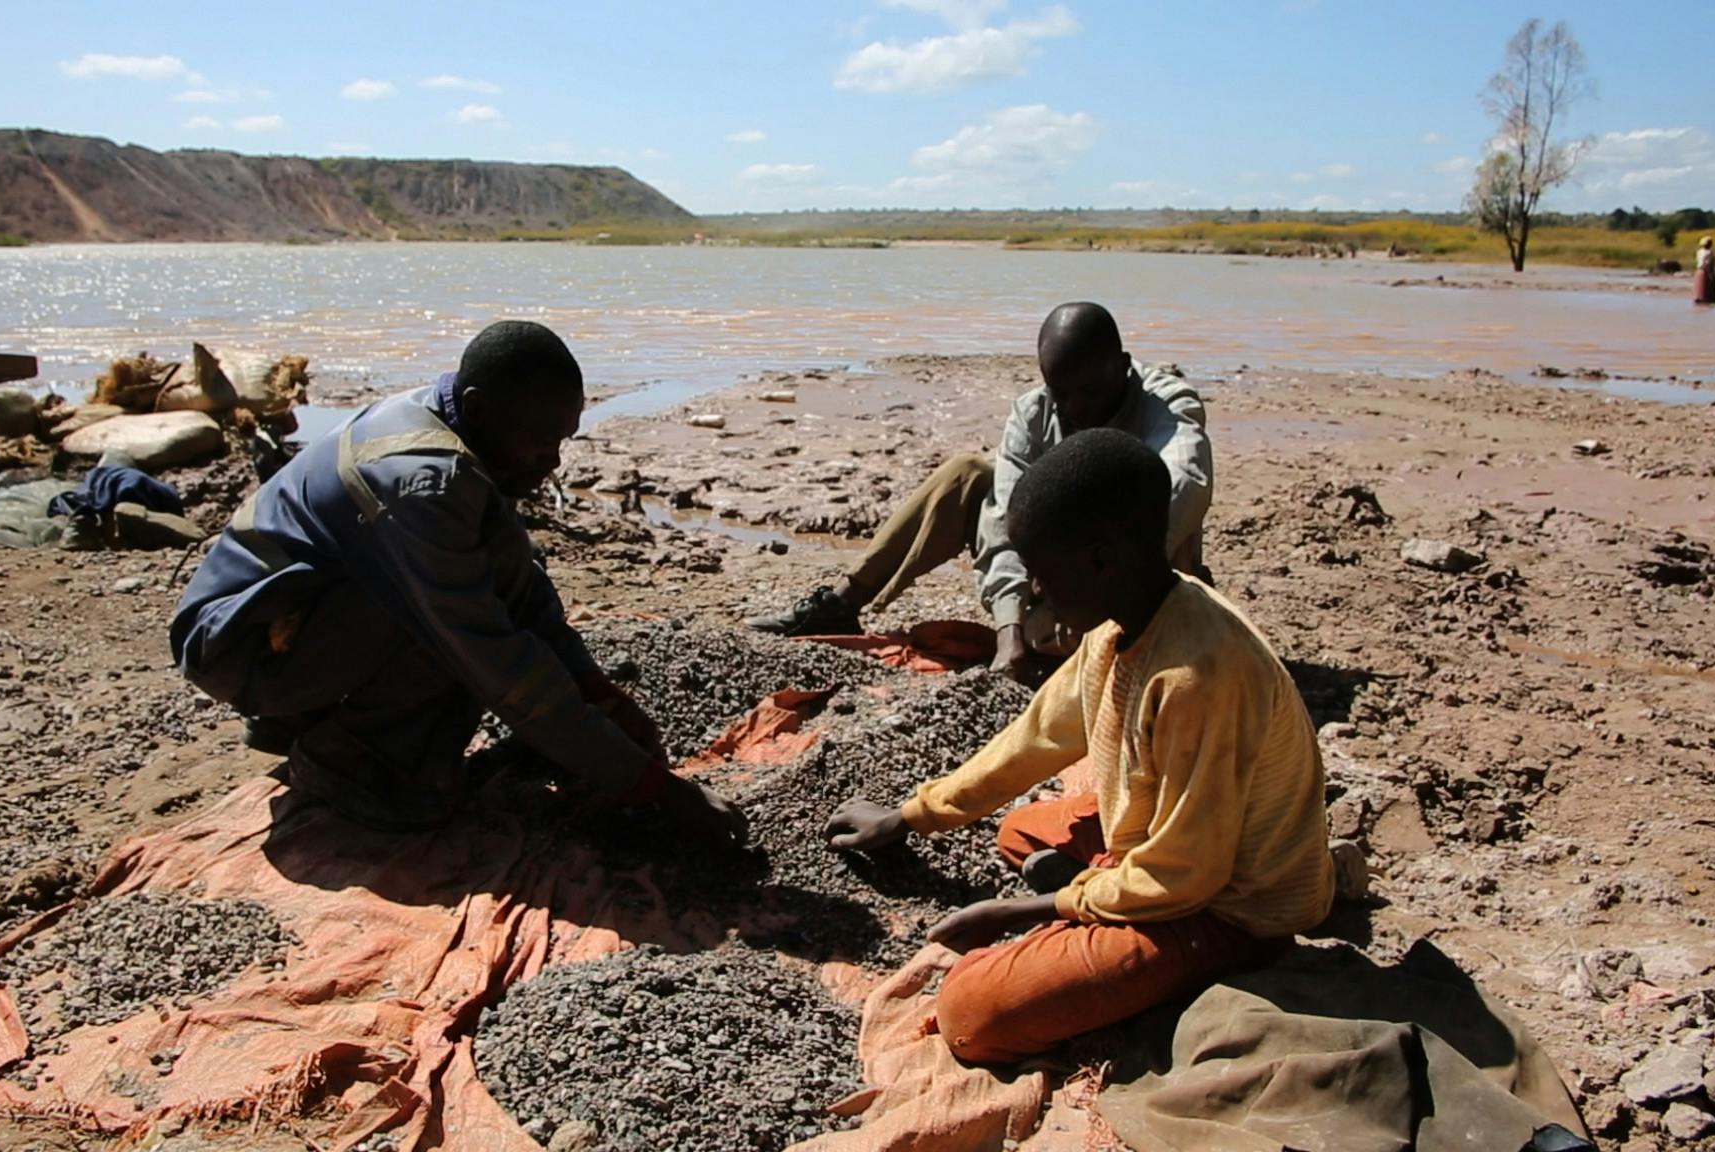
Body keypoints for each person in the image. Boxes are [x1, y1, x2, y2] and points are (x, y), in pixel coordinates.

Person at [822, 428, 1332, 1064]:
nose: (1034, 594)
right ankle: (1101, 915)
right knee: (1022, 834)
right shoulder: (1121, 620)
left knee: (971, 1014)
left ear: (1099, 559)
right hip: (1175, 858)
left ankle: (1165, 961)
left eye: (1041, 574)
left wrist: (1020, 912)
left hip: (1229, 911)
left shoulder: (1197, 677)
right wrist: (912, 815)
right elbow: (1035, 738)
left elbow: (1184, 879)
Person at [170, 320, 745, 844]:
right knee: (448, 647)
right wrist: (660, 791)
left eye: (563, 440)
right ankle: (339, 760)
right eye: (543, 440)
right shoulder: (423, 482)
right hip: (239, 644)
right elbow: (493, 657)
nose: (554, 461)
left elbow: (519, 583)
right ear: (480, 407)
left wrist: (594, 689)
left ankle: (309, 715)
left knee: (461, 607)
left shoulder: (455, 429)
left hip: (299, 616)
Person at [744, 302, 1212, 682]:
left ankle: (1082, 641)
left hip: (1126, 581)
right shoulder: (1035, 411)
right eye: (1062, 393)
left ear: (1123, 368)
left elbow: (1181, 490)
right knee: (968, 474)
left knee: (1070, 632)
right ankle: (842, 603)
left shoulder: (1165, 404)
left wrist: (1086, 589)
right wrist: (1007, 628)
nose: (1076, 408)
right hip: (1052, 581)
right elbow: (1008, 518)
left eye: (1090, 392)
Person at [1694, 235, 1715, 305]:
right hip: (1706, 271)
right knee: (1711, 286)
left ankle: (1699, 297)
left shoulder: (1699, 252)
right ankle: (1709, 299)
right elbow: (1708, 263)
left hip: (1699, 271)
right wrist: (1710, 274)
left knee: (1699, 289)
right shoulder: (1709, 252)